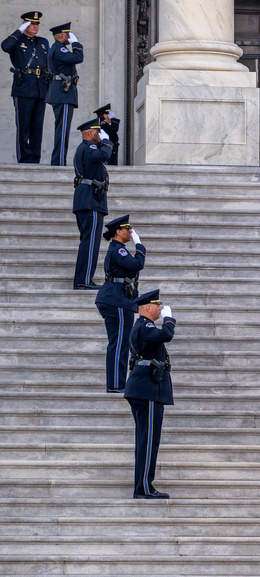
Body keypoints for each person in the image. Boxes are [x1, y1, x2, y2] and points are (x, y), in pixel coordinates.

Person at [124, 289, 176, 499]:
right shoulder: (145, 326)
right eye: (158, 306)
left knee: (146, 440)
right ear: (147, 308)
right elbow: (167, 335)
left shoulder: (142, 327)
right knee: (148, 441)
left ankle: (143, 485)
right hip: (148, 390)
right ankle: (144, 488)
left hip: (145, 388)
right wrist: (170, 320)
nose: (160, 309)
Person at [95, 215, 146, 393]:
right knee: (120, 343)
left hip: (115, 298)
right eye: (127, 229)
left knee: (118, 342)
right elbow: (137, 264)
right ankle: (117, 383)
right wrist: (140, 246)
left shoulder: (118, 249)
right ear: (118, 231)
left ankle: (115, 383)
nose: (130, 232)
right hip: (117, 300)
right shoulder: (118, 250)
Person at [72, 118, 113, 289]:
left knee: (88, 242)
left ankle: (83, 278)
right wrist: (107, 141)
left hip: (86, 200)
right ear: (89, 133)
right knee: (90, 244)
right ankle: (84, 280)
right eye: (96, 132)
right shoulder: (89, 147)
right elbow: (104, 155)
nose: (98, 134)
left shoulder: (83, 149)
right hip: (91, 201)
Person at [2, 11, 49, 163]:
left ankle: (35, 159)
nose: (35, 26)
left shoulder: (42, 42)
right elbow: (5, 46)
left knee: (37, 127)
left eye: (37, 24)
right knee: (23, 127)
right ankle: (24, 159)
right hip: (23, 88)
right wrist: (20, 30)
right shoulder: (17, 40)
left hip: (41, 89)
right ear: (25, 23)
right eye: (31, 23)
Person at [45, 22, 84, 166]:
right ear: (60, 35)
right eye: (68, 34)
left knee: (63, 129)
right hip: (63, 93)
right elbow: (78, 58)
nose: (70, 37)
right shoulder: (59, 49)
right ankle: (59, 162)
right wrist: (76, 44)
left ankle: (59, 161)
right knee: (62, 130)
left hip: (63, 93)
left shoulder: (59, 48)